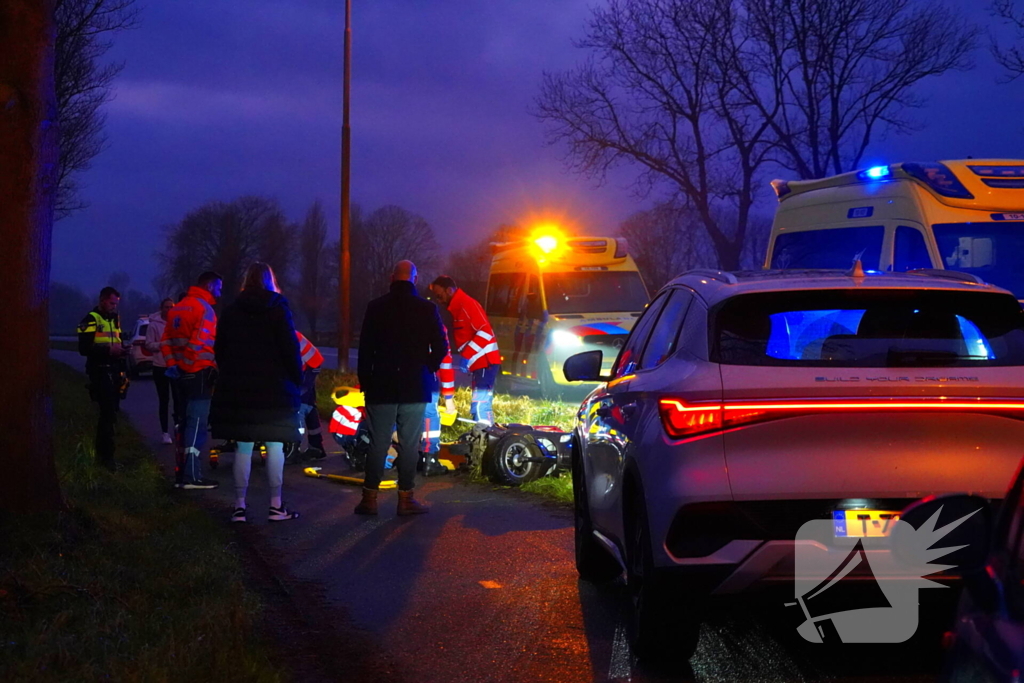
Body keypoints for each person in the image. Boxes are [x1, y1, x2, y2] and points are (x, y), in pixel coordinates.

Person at [210, 263, 302, 523]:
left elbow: (220, 350)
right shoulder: (278, 310)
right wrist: (296, 381)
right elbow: (290, 350)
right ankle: (275, 506)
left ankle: (239, 506)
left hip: (239, 390)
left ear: (245, 281)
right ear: (271, 281)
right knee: (274, 446)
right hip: (274, 390)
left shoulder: (231, 312)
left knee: (243, 446)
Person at [356, 260, 448, 516]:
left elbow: (365, 350)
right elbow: (441, 346)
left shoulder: (375, 307)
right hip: (415, 385)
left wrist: (366, 381)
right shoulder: (427, 309)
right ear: (415, 279)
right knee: (409, 444)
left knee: (378, 442)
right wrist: (425, 367)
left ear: (391, 277)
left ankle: (369, 499)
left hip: (381, 386)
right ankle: (406, 499)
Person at [161, 271, 222, 489]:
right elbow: (199, 342)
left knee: (184, 423)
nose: (220, 292)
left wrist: (173, 366)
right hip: (199, 374)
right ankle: (192, 476)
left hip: (179, 376)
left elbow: (165, 341)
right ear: (208, 285)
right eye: (218, 287)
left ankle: (182, 473)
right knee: (197, 424)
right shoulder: (205, 310)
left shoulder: (177, 308)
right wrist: (188, 366)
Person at [429, 275, 501, 424]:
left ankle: (486, 436)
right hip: (480, 363)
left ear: (449, 290)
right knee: (479, 403)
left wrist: (467, 356)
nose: (438, 300)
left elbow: (485, 332)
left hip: (484, 362)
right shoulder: (459, 307)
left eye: (439, 295)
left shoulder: (466, 305)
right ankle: (483, 435)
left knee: (480, 404)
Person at [77, 286, 128, 471]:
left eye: (116, 304)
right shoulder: (90, 319)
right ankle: (105, 459)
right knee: (107, 415)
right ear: (102, 300)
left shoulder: (114, 319)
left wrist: (122, 353)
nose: (114, 306)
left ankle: (107, 457)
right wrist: (108, 350)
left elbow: (117, 341)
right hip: (99, 371)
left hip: (113, 370)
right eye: (112, 303)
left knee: (112, 413)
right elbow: (83, 348)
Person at [285, 331, 327, 464]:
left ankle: (294, 448)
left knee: (300, 406)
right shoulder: (285, 332)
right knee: (309, 406)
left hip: (309, 367)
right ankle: (316, 447)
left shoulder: (287, 336)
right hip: (307, 366)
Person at [420, 327, 456, 475]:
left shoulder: (397, 318)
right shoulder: (435, 324)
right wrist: (449, 398)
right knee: (430, 415)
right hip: (426, 374)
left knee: (402, 412)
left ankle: (403, 457)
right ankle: (430, 460)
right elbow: (445, 363)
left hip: (399, 373)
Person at [145, 298, 177, 444]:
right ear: (161, 308)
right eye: (166, 307)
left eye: (171, 307)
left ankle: (178, 428)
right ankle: (165, 432)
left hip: (175, 365)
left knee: (178, 399)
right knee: (164, 400)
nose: (169, 310)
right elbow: (149, 344)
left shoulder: (177, 322)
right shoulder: (153, 325)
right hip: (160, 365)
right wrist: (162, 344)